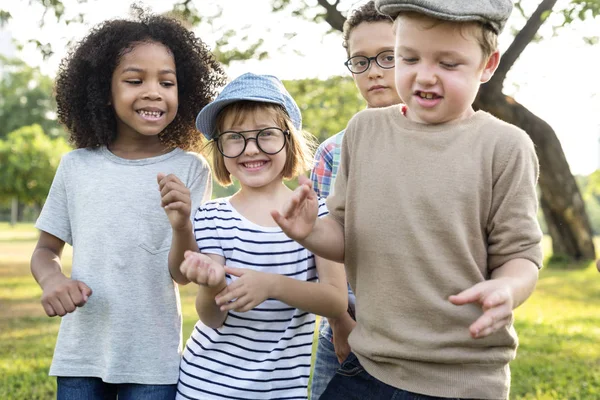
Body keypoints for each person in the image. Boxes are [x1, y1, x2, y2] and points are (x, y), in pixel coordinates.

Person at [272, 0, 544, 398]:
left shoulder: (504, 146)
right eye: (409, 58)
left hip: (461, 378)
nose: (425, 77)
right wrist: (312, 231)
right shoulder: (364, 131)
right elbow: (344, 236)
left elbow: (521, 256)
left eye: (448, 64)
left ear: (488, 65)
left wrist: (508, 289)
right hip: (368, 367)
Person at [30, 8, 226, 400]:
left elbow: (183, 274)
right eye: (135, 80)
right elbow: (45, 251)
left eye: (167, 83)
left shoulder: (190, 169)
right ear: (104, 90)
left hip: (153, 359)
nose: (153, 91)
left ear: (182, 93)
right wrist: (54, 280)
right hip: (80, 355)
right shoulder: (76, 166)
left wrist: (182, 223)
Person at [164, 72, 348, 400]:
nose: (251, 149)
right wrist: (213, 284)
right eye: (235, 137)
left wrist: (272, 286)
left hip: (280, 391)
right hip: (206, 388)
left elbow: (334, 300)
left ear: (288, 140)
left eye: (266, 134)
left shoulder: (314, 212)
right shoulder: (212, 217)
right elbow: (211, 316)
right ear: (220, 148)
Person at [309, 2, 403, 398]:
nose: (374, 71)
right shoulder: (335, 151)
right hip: (349, 326)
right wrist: (339, 322)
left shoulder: (451, 144)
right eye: (360, 62)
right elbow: (326, 244)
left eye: (388, 57)